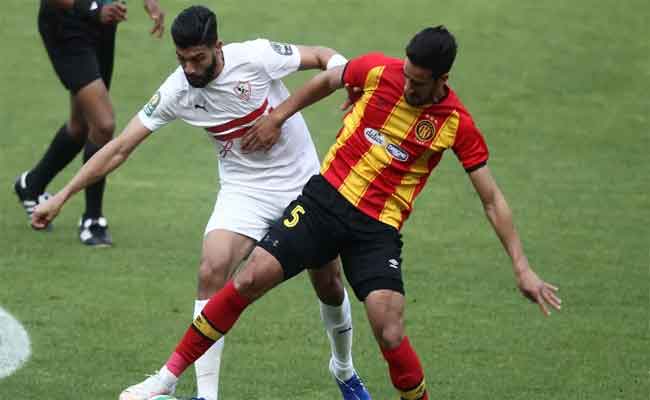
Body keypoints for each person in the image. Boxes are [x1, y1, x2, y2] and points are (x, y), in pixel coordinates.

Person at [101, 26, 563, 400]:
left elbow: (491, 198)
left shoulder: (455, 123)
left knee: (389, 327)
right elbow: (326, 78)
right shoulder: (378, 71)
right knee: (244, 280)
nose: (406, 86)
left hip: (377, 230)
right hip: (324, 202)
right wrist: (278, 115)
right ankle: (166, 379)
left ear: (442, 79)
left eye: (418, 83)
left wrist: (521, 267)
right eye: (405, 74)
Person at [32, 5, 371, 400]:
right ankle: (207, 395)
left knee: (329, 284)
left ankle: (343, 368)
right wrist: (62, 195)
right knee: (212, 267)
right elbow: (120, 147)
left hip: (303, 184)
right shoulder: (178, 89)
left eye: (199, 59)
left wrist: (339, 85)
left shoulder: (255, 57)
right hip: (244, 189)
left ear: (218, 47)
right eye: (182, 59)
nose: (190, 69)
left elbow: (320, 55)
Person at [14, 0, 165, 246]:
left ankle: (31, 184)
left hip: (104, 24)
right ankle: (92, 218)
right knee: (103, 124)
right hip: (68, 25)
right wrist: (94, 9)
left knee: (81, 125)